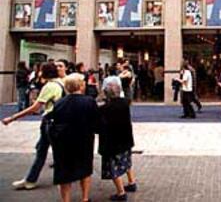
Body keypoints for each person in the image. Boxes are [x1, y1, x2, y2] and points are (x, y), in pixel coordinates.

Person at [1, 63, 64, 190]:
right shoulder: (60, 83)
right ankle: (31, 179)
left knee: (45, 152)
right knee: (48, 151)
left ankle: (55, 181)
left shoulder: (49, 86)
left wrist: (12, 118)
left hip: (49, 122)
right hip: (56, 122)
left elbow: (35, 108)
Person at [49, 73, 98, 202]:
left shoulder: (59, 102)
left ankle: (66, 199)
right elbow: (96, 122)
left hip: (63, 141)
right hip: (84, 140)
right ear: (81, 86)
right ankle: (85, 198)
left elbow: (54, 120)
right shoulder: (89, 101)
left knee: (64, 172)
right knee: (85, 169)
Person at [99, 81, 136, 201]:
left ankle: (121, 193)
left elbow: (99, 125)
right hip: (126, 139)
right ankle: (131, 182)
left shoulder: (105, 109)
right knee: (127, 162)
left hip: (112, 143)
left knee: (114, 167)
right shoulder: (125, 103)